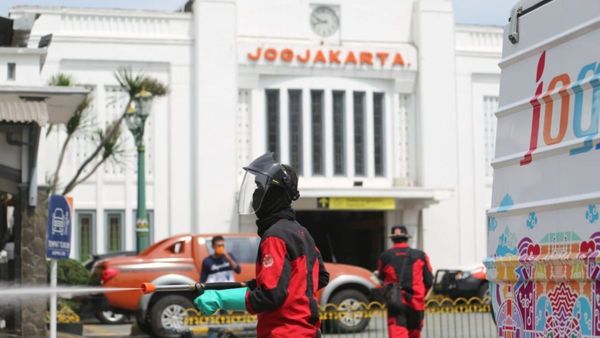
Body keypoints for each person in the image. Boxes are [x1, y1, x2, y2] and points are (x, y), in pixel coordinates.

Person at [194, 153, 329, 338]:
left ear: (274, 194)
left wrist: (220, 299)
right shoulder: (302, 233)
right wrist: (259, 285)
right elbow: (319, 277)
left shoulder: (275, 236)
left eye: (260, 187)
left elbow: (271, 296)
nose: (256, 194)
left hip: (283, 333)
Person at [378, 225, 433, 338]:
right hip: (416, 303)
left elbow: (381, 280)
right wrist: (421, 294)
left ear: (392, 239)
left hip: (396, 302)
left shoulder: (385, 257)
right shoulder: (420, 255)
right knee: (415, 335)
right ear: (407, 238)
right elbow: (429, 280)